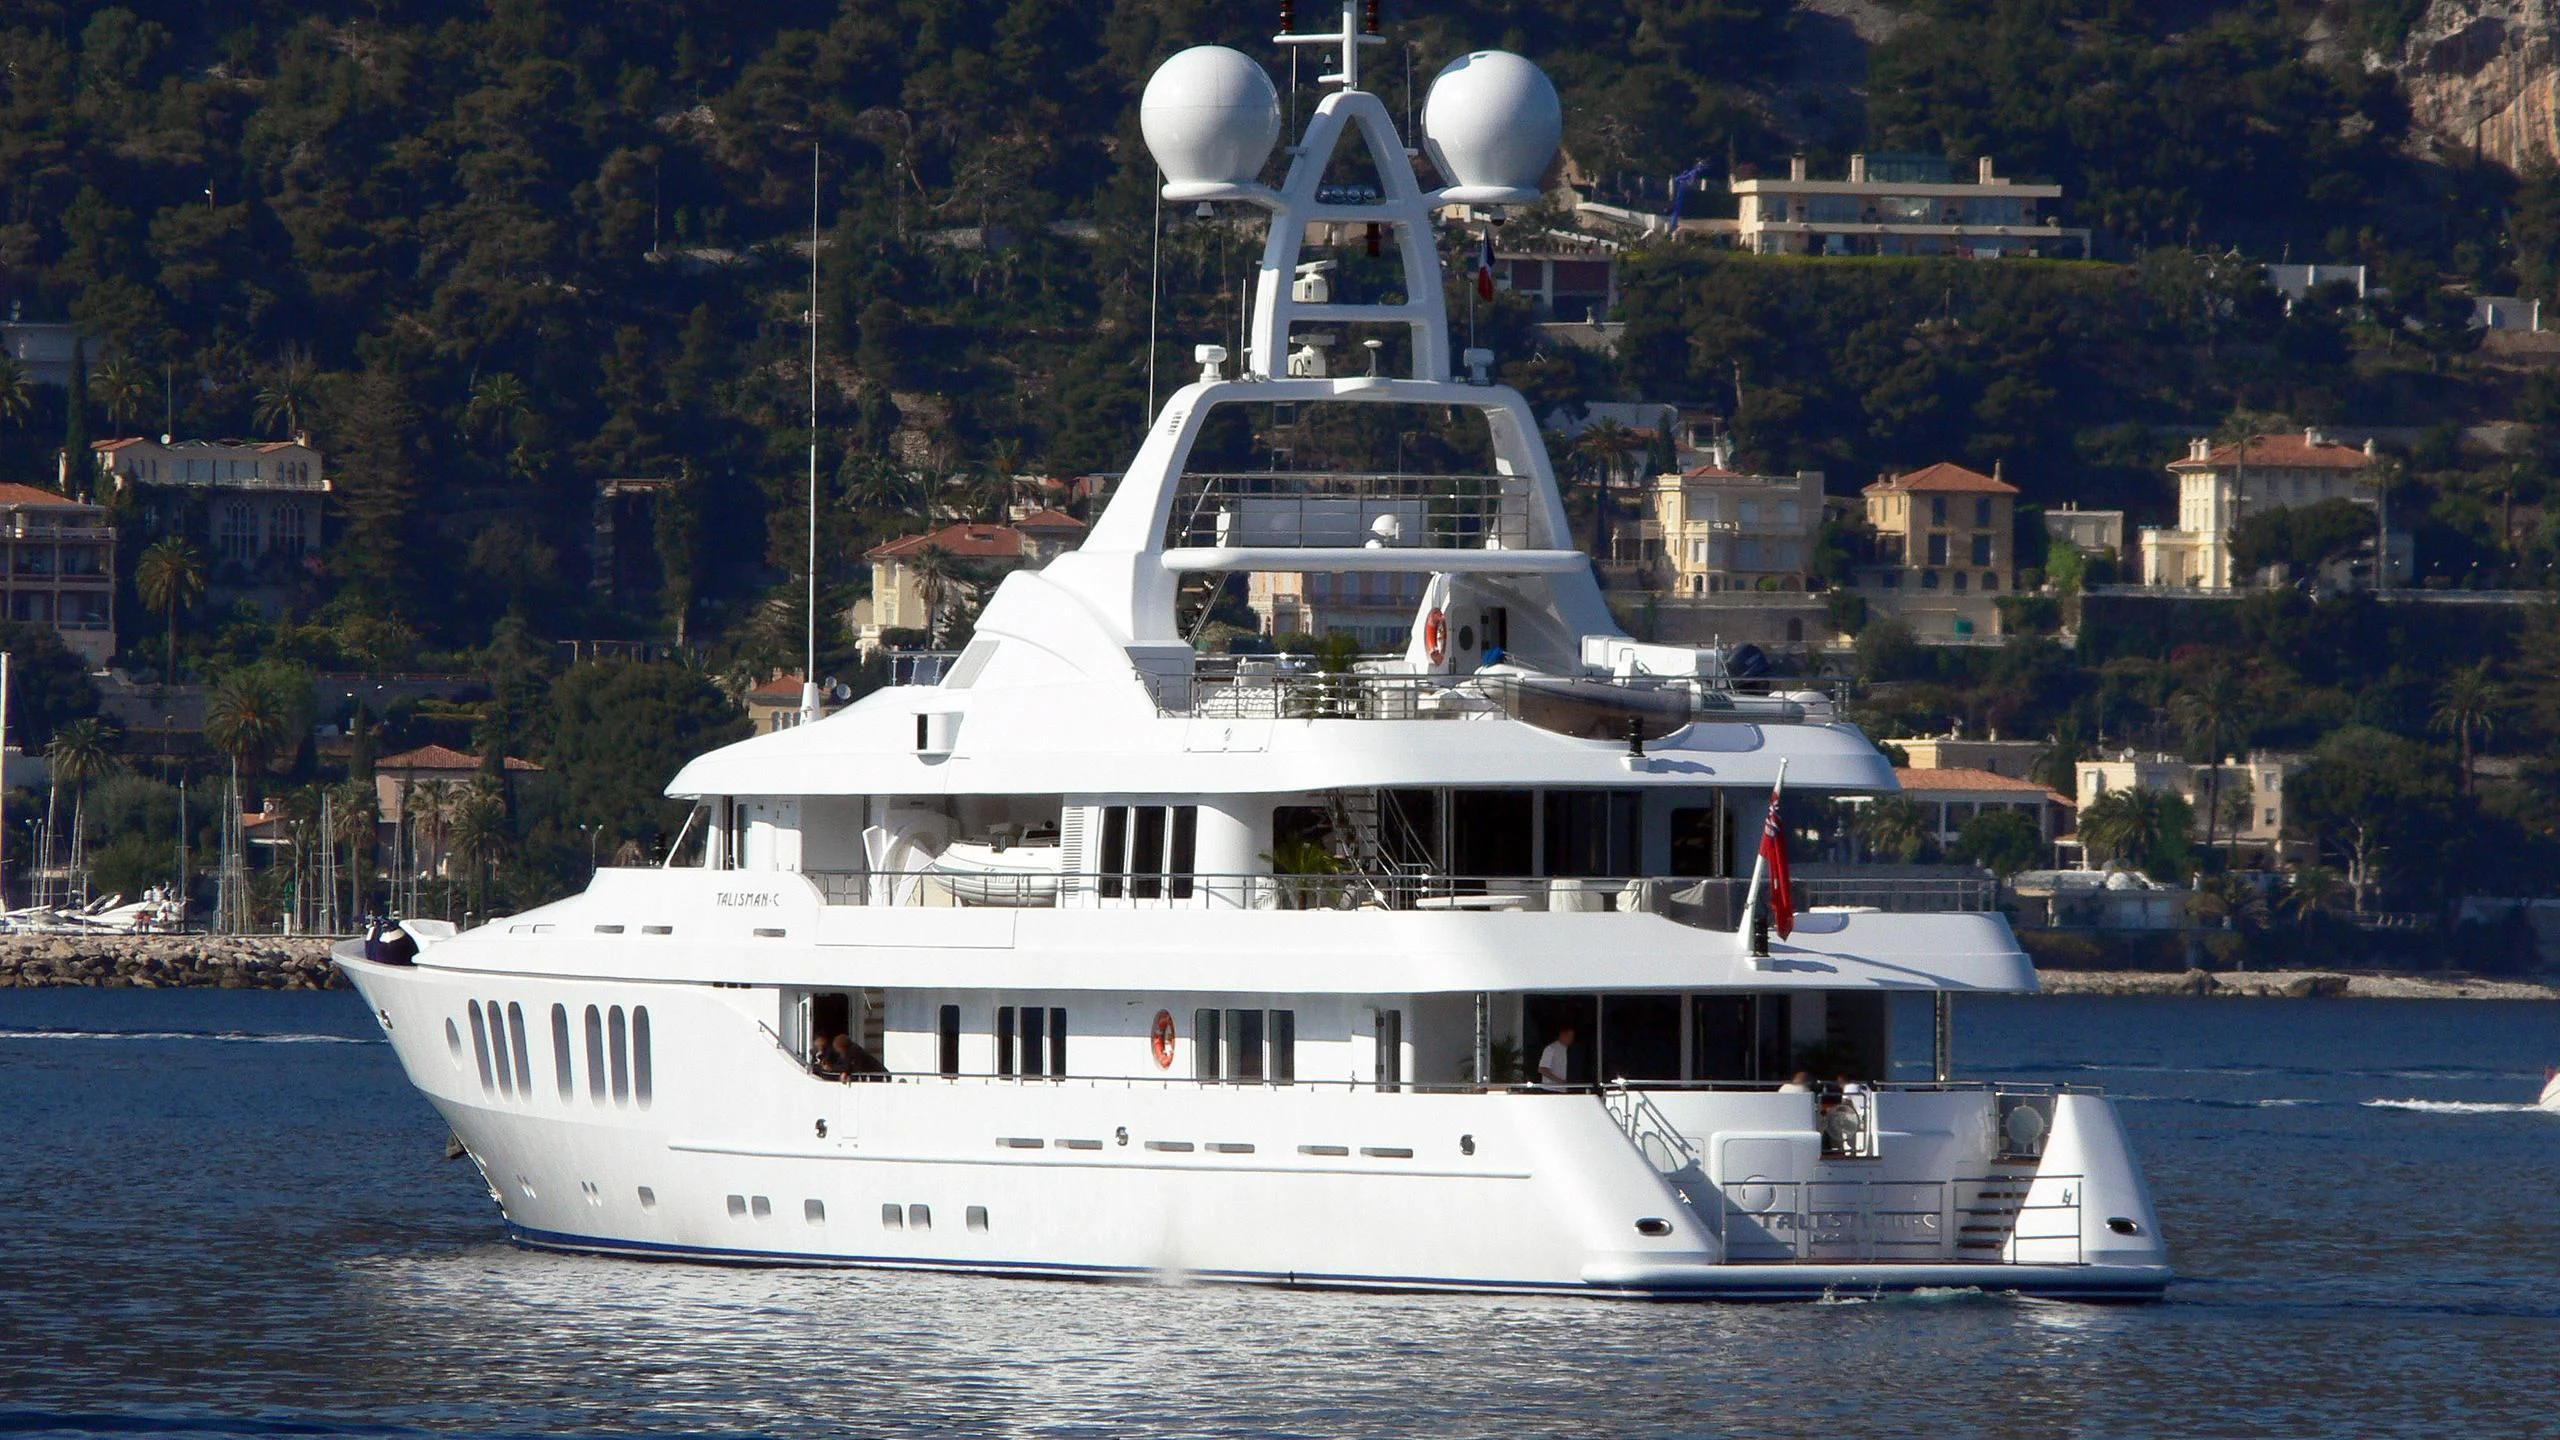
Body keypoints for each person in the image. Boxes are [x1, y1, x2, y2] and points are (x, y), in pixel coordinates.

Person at [1537, 1025, 1576, 1089]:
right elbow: (1542, 1069)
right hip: (1551, 1089)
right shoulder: (1551, 1049)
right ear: (1562, 1035)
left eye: (1572, 1037)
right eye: (1569, 1036)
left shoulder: (1568, 1051)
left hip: (1563, 1089)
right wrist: (1559, 1081)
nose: (1571, 1039)